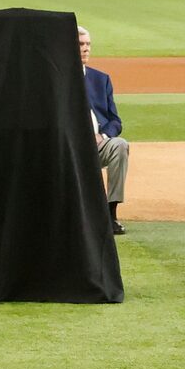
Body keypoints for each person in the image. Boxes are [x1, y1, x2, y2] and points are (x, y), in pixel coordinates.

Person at [79, 27, 130, 235]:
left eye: (88, 44)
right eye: (80, 45)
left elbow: (115, 121)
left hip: (99, 145)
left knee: (120, 145)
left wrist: (103, 136)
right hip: (70, 146)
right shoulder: (58, 80)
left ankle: (111, 213)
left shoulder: (101, 79)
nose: (85, 49)